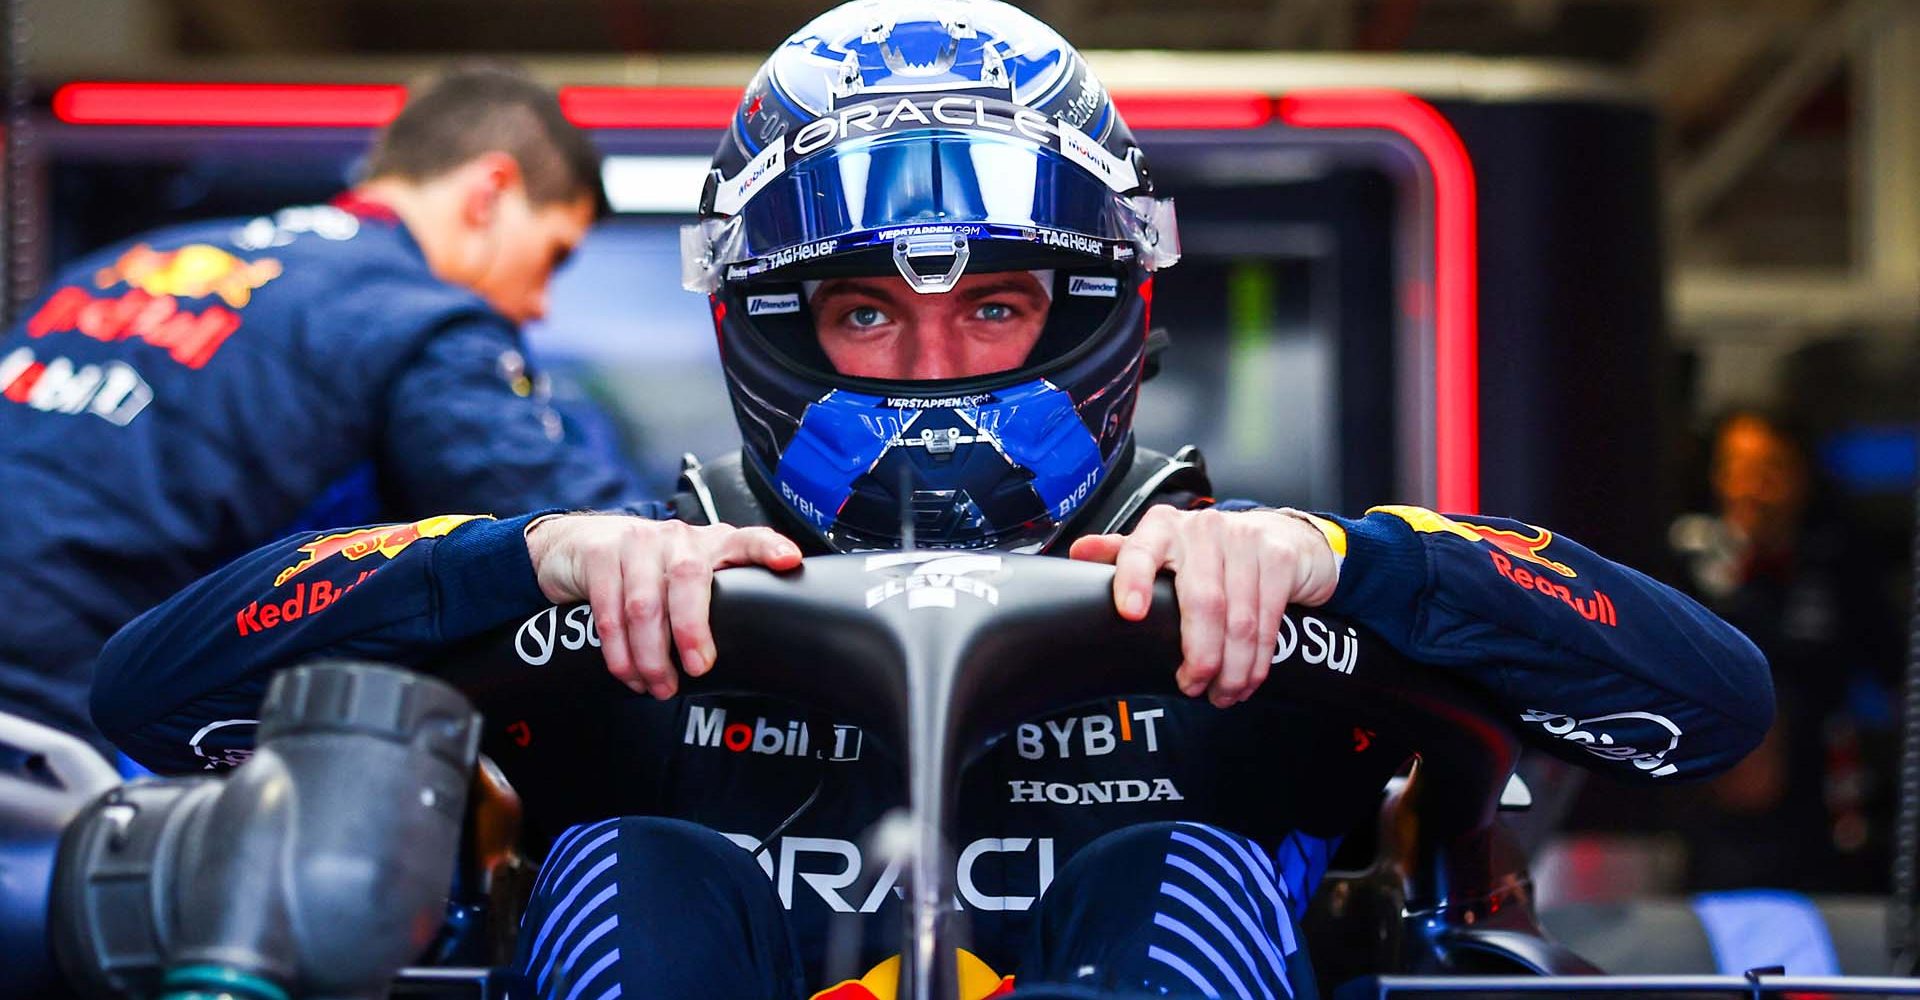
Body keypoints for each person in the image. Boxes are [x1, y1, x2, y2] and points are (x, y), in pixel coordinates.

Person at [92, 4, 1771, 997]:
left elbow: (1709, 706)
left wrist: (1353, 562)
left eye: (998, 305)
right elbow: (154, 704)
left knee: (1175, 878)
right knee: (638, 873)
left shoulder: (1270, 603)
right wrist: (512, 558)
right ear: (774, 330)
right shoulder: (617, 609)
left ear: (1099, 310)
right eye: (865, 313)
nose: (934, 362)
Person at [0, 64, 652, 753]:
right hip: (67, 740)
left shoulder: (124, 264)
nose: (540, 304)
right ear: (488, 192)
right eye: (552, 255)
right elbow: (587, 534)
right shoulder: (418, 318)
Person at [1666, 410, 1898, 892]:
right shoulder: (1680, 569)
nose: (1751, 487)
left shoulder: (1839, 567)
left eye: (1769, 469)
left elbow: (1893, 674)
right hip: (1707, 811)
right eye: (1736, 467)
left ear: (1801, 476)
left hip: (1822, 811)